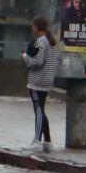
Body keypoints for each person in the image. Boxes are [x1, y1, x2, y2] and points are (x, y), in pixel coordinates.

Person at [22, 15, 56, 150]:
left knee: (38, 109)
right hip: (47, 79)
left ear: (36, 26)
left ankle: (37, 140)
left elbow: (38, 62)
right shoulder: (51, 41)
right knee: (41, 109)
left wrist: (25, 57)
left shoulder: (41, 41)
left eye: (33, 25)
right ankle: (47, 141)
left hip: (38, 81)